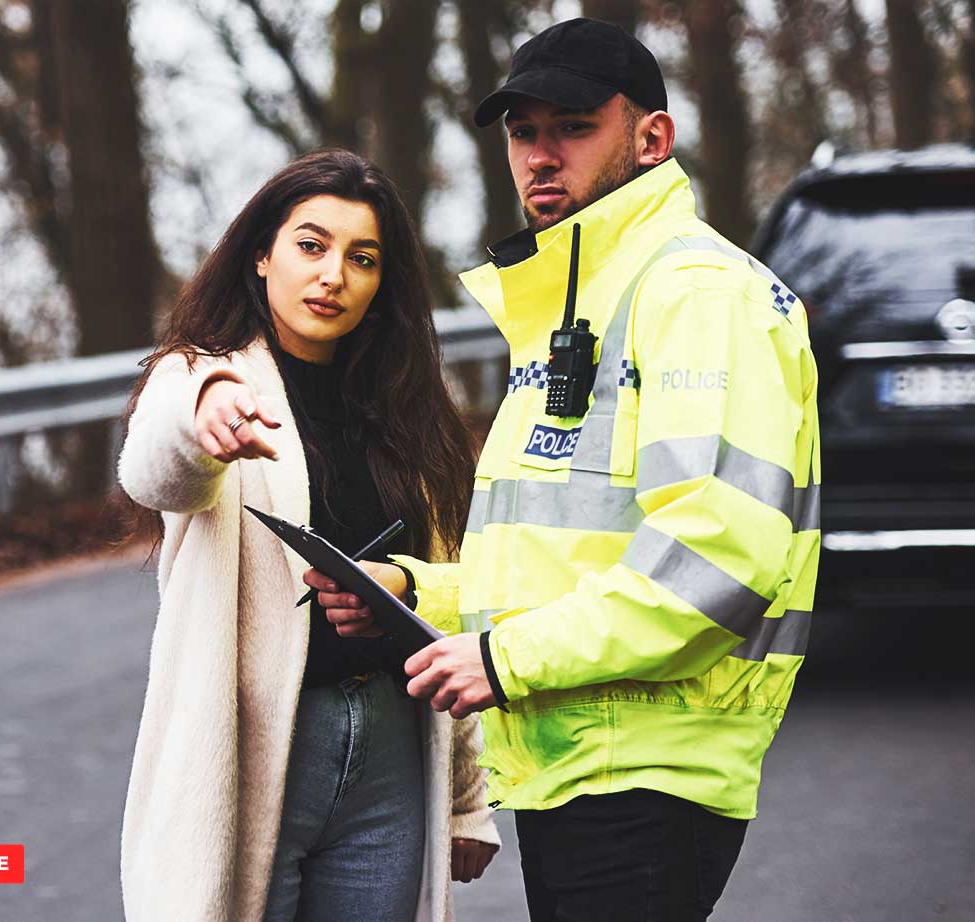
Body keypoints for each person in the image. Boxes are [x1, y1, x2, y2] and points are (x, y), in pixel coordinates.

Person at [308, 18, 821, 922]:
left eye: (574, 126)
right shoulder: (579, 304)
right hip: (582, 757)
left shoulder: (699, 294)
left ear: (650, 137)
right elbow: (565, 555)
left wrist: (502, 661)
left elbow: (718, 564)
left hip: (649, 766)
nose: (542, 156)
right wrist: (413, 593)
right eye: (522, 131)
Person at [117, 149, 500, 922]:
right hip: (258, 749)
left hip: (394, 750)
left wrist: (466, 800)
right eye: (311, 245)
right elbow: (155, 472)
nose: (334, 275)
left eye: (362, 259)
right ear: (262, 254)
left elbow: (448, 601)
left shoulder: (406, 414)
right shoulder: (199, 378)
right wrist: (208, 414)